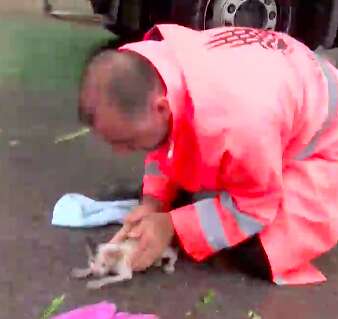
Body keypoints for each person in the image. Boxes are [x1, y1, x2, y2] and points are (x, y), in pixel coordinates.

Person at [78, 24, 338, 285]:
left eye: (128, 142)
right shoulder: (159, 73)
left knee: (258, 251)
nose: (121, 153)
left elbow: (255, 205)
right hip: (281, 86)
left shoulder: (238, 123)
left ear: (161, 107)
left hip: (326, 146)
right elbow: (164, 146)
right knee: (192, 202)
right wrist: (153, 200)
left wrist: (172, 227)